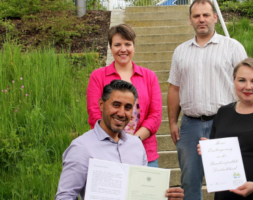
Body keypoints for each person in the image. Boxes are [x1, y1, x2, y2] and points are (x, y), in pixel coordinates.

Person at [167, 0, 247, 199]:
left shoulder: (233, 47)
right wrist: (172, 123)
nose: (201, 19)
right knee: (190, 183)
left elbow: (246, 85)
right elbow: (174, 88)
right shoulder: (180, 51)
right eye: (196, 16)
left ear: (215, 17)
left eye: (205, 15)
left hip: (225, 124)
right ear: (190, 20)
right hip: (189, 125)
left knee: (228, 181)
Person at [56, 80, 184, 200]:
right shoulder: (81, 147)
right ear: (101, 104)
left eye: (128, 107)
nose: (122, 113)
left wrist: (163, 196)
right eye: (116, 105)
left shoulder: (136, 145)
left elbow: (142, 194)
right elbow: (65, 196)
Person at [197, 58, 253, 200]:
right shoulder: (223, 112)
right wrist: (209, 152)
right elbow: (218, 156)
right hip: (225, 194)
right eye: (241, 80)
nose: (247, 86)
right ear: (233, 82)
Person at [87, 24, 161, 167]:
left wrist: (132, 142)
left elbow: (155, 116)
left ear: (134, 47)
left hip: (144, 152)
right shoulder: (98, 77)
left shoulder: (149, 77)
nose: (123, 49)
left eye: (128, 44)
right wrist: (115, 142)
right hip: (106, 153)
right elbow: (95, 113)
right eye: (117, 44)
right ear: (110, 48)